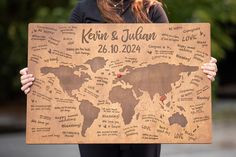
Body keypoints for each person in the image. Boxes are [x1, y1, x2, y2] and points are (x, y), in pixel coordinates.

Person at [19, 0, 218, 157]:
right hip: (96, 119)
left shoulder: (152, 9)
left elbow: (171, 59)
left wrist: (203, 69)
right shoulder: (82, 10)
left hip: (145, 120)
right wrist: (35, 76)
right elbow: (65, 59)